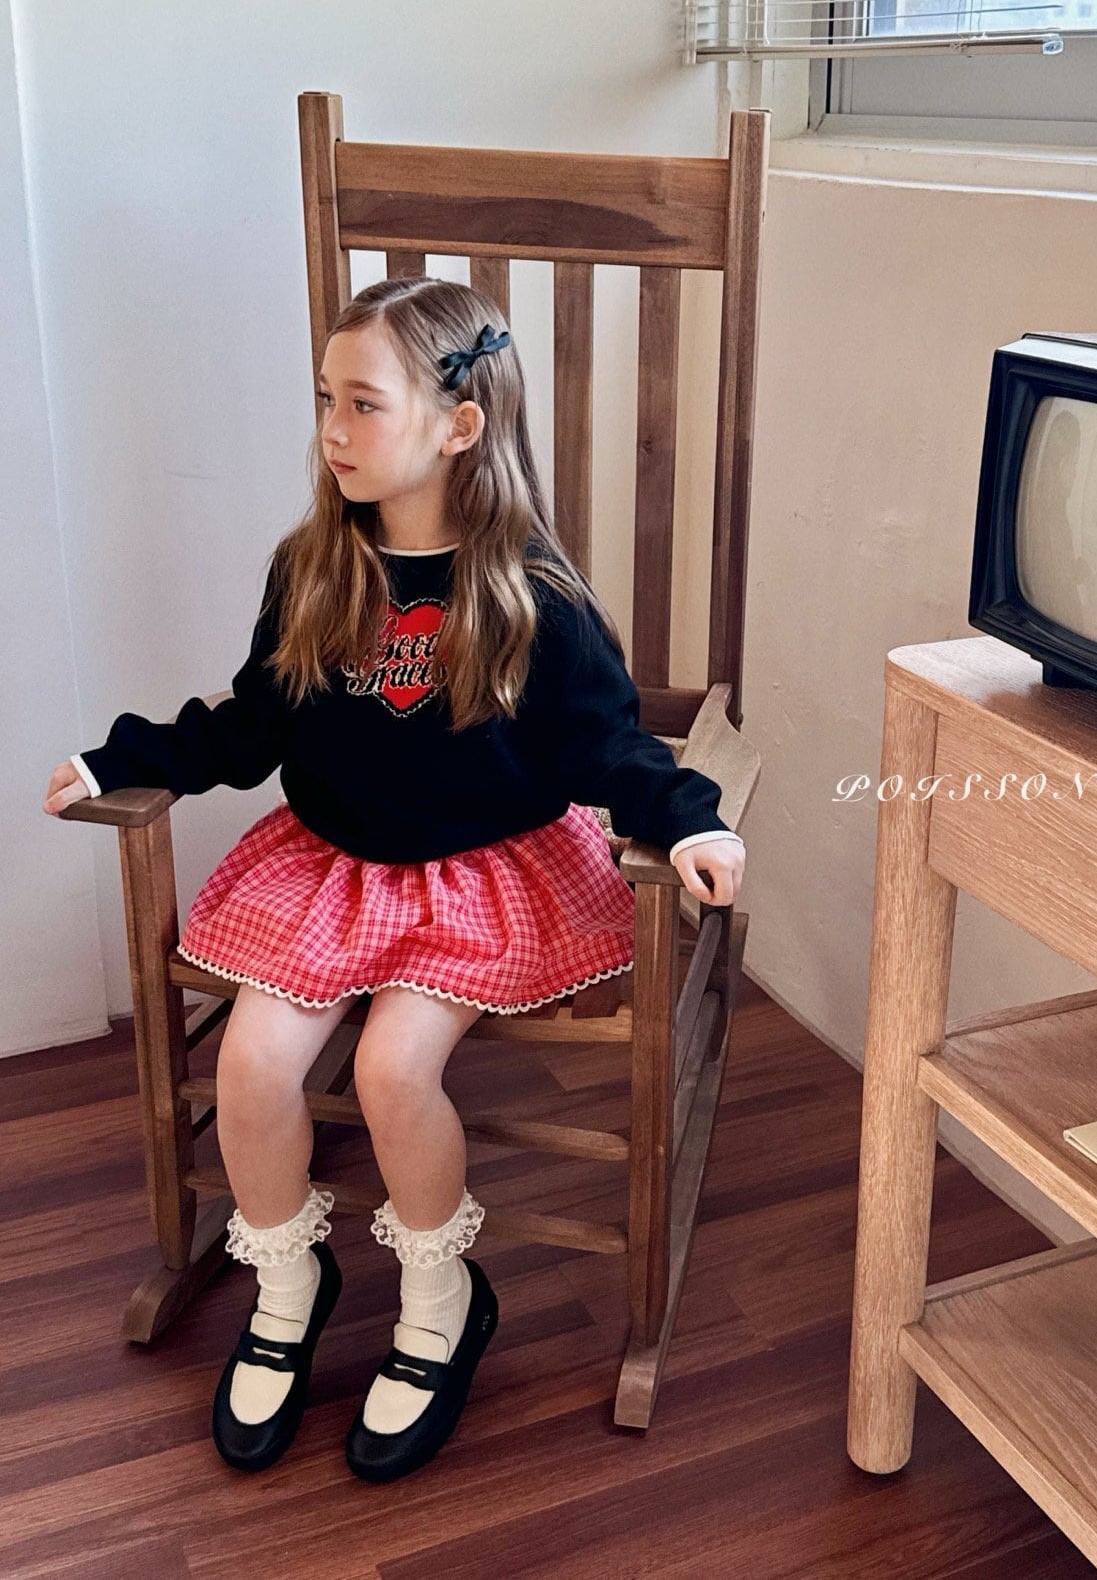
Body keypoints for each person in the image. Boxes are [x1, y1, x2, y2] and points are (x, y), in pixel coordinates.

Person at [43, 277, 745, 1484]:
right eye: (325, 399)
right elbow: (252, 722)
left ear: (459, 424)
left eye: (362, 404)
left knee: (389, 1067)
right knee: (252, 1064)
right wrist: (127, 758)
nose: (331, 429)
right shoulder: (314, 567)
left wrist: (687, 822)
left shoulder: (531, 595)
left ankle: (439, 1297)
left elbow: (607, 746)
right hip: (334, 870)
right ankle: (286, 1281)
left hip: (480, 878)